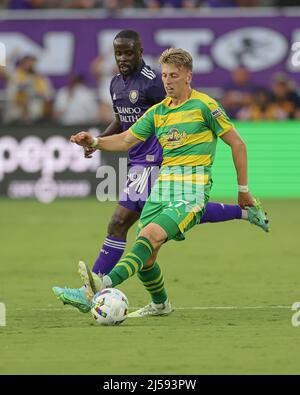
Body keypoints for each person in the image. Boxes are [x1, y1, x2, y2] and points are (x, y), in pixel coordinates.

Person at [53, 32, 269, 316]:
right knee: (147, 255)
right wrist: (94, 142)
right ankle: (160, 304)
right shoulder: (157, 112)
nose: (167, 81)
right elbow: (127, 138)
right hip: (163, 188)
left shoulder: (205, 106)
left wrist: (243, 190)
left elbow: (237, 143)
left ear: (188, 76)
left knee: (146, 236)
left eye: (173, 76)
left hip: (187, 187)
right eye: (165, 75)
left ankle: (99, 283)